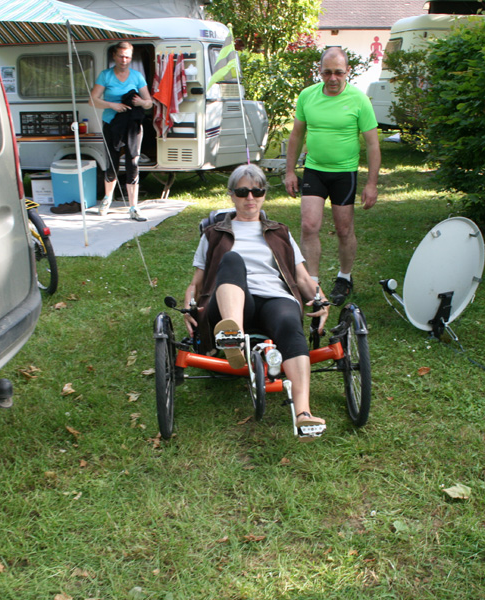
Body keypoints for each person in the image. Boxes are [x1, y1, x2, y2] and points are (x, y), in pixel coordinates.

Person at [183, 164, 329, 437]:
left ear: (264, 195)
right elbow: (197, 281)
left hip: (274, 298)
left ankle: (303, 413)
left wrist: (321, 301)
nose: (250, 197)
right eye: (242, 191)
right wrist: (189, 306)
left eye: (257, 191)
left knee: (288, 321)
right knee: (232, 259)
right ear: (231, 195)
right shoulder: (214, 234)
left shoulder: (280, 233)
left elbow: (303, 277)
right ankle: (233, 336)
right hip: (231, 302)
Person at [283, 46, 381, 306]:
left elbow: (372, 144)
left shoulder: (359, 100)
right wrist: (290, 171)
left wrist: (371, 184)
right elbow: (296, 135)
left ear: (348, 71)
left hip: (344, 173)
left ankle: (344, 277)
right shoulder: (307, 96)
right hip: (315, 169)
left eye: (339, 72)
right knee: (308, 226)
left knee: (344, 229)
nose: (333, 78)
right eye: (327, 73)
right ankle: (312, 283)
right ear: (320, 72)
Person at [89, 41, 153, 221]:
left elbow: (149, 102)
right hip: (112, 122)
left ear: (131, 58)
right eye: (121, 56)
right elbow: (92, 100)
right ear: (114, 57)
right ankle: (107, 199)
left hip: (133, 123)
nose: (124, 60)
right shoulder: (106, 76)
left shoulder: (137, 76)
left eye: (127, 57)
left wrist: (141, 103)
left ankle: (133, 206)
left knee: (133, 160)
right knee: (112, 160)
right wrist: (112, 105)